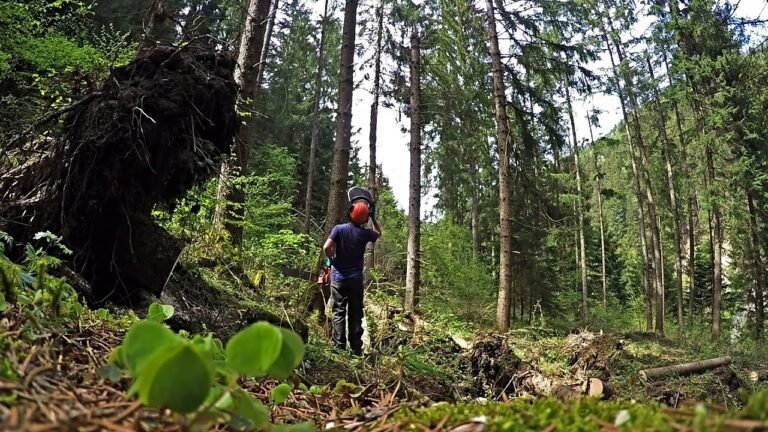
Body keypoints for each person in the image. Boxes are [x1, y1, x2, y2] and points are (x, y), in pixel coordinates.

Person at [322, 199, 381, 355]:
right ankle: (356, 349)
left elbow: (326, 247)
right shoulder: (365, 233)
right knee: (355, 313)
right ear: (365, 217)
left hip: (338, 277)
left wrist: (332, 259)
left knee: (338, 311)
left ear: (350, 213)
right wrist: (373, 218)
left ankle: (339, 346)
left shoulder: (338, 229)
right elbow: (378, 233)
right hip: (356, 279)